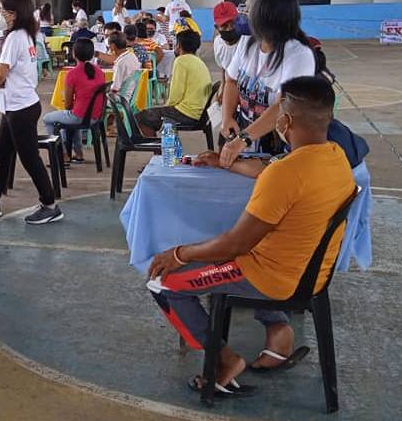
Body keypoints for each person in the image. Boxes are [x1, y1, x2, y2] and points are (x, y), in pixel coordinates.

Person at [147, 76, 356, 390]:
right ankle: (274, 332)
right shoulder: (336, 156)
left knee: (162, 282)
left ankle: (222, 360)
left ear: (284, 121)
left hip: (268, 276)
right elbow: (274, 169)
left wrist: (178, 253)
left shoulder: (284, 175)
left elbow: (233, 246)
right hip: (310, 272)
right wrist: (225, 163)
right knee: (228, 242)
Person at [0, 0, 63, 225]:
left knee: (29, 157)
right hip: (16, 105)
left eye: (2, 11)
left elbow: (2, 71)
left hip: (21, 107)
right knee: (1, 152)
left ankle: (50, 204)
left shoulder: (15, 37)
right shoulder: (27, 34)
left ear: (14, 14)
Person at [220, 0, 317, 167]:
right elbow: (231, 81)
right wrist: (227, 118)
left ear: (265, 17)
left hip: (276, 140)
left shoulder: (298, 54)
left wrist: (242, 140)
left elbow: (283, 105)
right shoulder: (247, 44)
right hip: (244, 133)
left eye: (248, 11)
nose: (241, 16)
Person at [135, 30, 211, 137]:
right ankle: (160, 149)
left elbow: (176, 95)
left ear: (179, 45)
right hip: (200, 114)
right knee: (152, 113)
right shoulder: (199, 62)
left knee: (141, 117)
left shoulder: (181, 61)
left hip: (186, 113)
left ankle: (158, 152)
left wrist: (165, 109)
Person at [42, 38, 106, 165]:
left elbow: (67, 104)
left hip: (80, 116)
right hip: (96, 116)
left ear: (74, 54)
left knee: (47, 119)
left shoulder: (72, 73)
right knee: (71, 115)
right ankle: (78, 153)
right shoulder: (99, 72)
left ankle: (62, 154)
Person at [212, 1, 249, 111]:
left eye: (232, 23)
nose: (229, 28)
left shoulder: (247, 41)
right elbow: (224, 68)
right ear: (216, 27)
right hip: (230, 87)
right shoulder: (218, 44)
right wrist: (223, 89)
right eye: (224, 26)